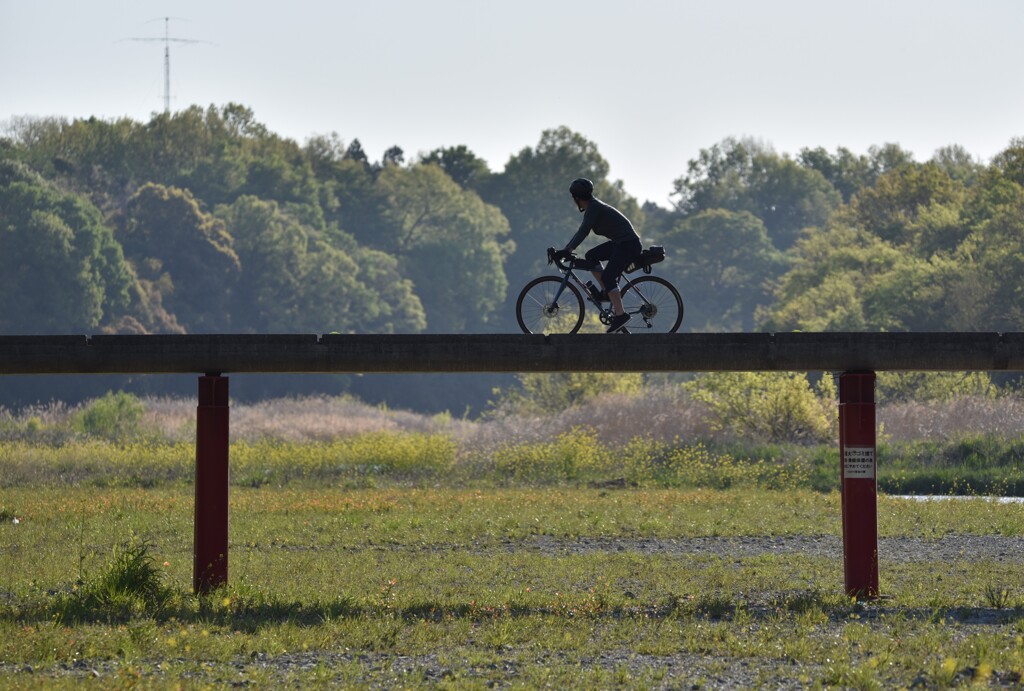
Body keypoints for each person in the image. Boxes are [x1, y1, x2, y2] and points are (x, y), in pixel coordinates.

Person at [553, 178, 643, 333]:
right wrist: (567, 249)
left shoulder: (594, 208)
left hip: (628, 245)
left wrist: (567, 250)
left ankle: (621, 316)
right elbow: (583, 231)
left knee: (609, 277)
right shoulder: (593, 207)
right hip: (620, 243)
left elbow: (583, 231)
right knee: (591, 255)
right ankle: (606, 293)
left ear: (577, 198)